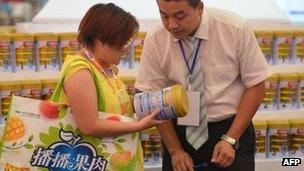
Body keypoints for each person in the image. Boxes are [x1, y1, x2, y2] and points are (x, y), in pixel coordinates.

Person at [135, 0, 272, 170]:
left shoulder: (234, 28)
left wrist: (230, 138)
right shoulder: (156, 37)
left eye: (180, 16)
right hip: (179, 133)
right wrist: (175, 150)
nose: (171, 25)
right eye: (164, 16)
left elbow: (256, 87)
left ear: (199, 8)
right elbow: (151, 97)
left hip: (230, 129)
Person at [53, 3, 163, 171]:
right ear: (101, 40)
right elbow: (89, 125)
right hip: (93, 160)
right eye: (122, 42)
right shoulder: (80, 70)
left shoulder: (104, 67)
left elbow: (115, 105)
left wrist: (154, 100)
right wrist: (138, 126)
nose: (126, 48)